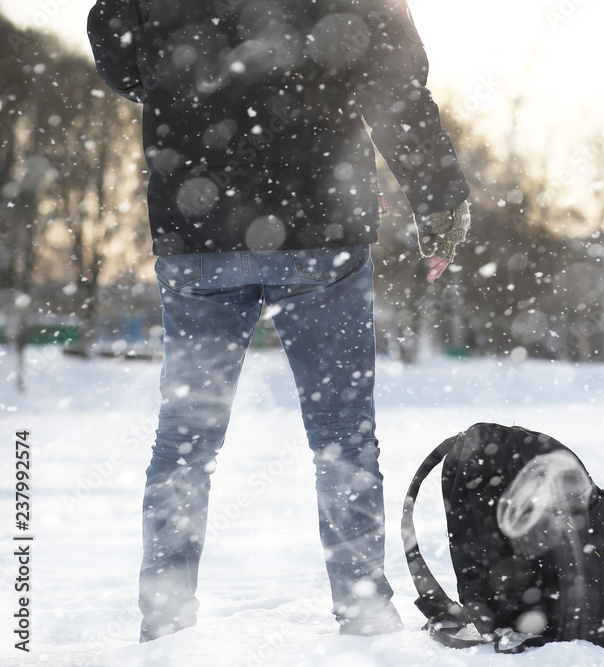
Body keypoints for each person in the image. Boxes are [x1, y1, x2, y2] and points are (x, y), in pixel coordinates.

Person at [87, 0, 470, 641]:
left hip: (197, 223)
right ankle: (365, 612)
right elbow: (394, 82)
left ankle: (164, 619)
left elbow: (118, 48)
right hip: (321, 222)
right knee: (343, 436)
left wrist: (200, 97)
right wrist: (438, 195)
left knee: (186, 441)